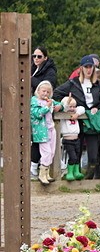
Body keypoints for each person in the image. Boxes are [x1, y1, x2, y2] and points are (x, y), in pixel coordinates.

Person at [54, 55, 100, 179]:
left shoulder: (98, 84)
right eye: (86, 67)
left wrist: (98, 107)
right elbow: (56, 93)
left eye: (91, 67)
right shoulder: (73, 83)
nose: (89, 70)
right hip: (77, 120)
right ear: (81, 68)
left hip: (92, 121)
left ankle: (88, 179)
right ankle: (74, 176)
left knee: (93, 154)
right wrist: (66, 104)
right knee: (76, 151)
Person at [30, 46, 58, 177]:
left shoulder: (50, 70)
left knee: (46, 146)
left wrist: (29, 79)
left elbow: (48, 85)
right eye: (34, 56)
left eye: (39, 56)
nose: (36, 59)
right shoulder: (32, 68)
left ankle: (42, 169)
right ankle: (35, 167)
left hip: (44, 111)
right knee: (36, 141)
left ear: (45, 58)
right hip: (34, 106)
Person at [30, 81, 63, 185]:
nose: (45, 93)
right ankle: (41, 174)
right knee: (46, 152)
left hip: (51, 129)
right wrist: (47, 107)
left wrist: (60, 106)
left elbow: (60, 104)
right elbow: (37, 114)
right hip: (41, 130)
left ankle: (46, 173)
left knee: (52, 152)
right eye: (43, 91)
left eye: (48, 92)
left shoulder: (50, 101)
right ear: (38, 91)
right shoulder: (35, 101)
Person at [60, 95, 84, 181]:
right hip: (68, 140)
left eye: (74, 106)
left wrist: (77, 114)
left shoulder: (75, 112)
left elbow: (82, 108)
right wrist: (67, 102)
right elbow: (65, 107)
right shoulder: (64, 113)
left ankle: (76, 172)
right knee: (72, 157)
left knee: (77, 156)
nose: (72, 108)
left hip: (76, 139)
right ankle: (69, 173)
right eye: (71, 106)